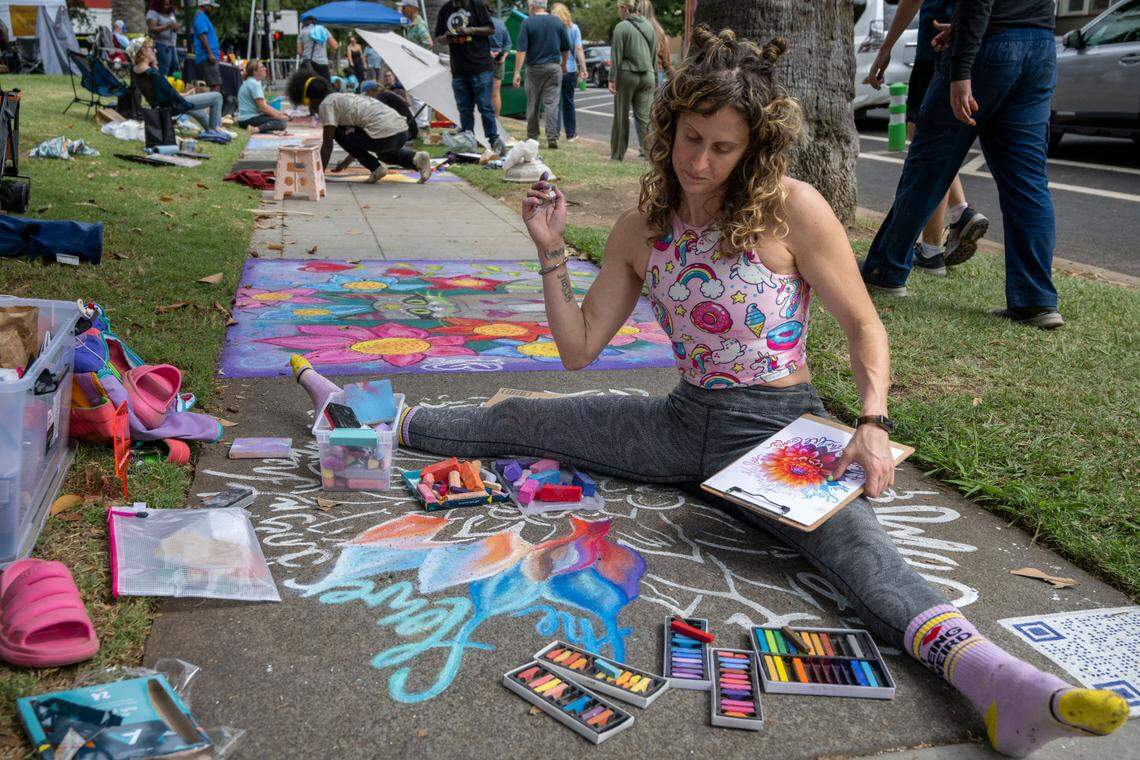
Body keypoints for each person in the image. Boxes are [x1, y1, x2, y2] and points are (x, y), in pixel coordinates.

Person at [385, 27, 1129, 757]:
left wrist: (871, 421)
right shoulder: (640, 226)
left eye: (722, 147)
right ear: (668, 130)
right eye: (690, 139)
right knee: (521, 416)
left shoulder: (792, 209)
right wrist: (550, 252)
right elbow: (579, 352)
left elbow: (864, 323)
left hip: (779, 434)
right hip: (680, 423)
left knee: (861, 557)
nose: (700, 161)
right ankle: (380, 421)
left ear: (753, 148)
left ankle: (1008, 688)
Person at [860, 0, 1064, 329]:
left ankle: (885, 270)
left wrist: (962, 66)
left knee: (929, 162)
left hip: (987, 49)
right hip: (1039, 44)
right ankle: (1036, 301)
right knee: (1027, 182)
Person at [865, 0, 989, 276]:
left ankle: (930, 250)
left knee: (927, 145)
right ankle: (959, 213)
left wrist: (886, 48)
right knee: (937, 144)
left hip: (937, 45)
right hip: (973, 45)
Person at [287, 70, 432, 183]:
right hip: (401, 133)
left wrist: (318, 174)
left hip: (382, 136)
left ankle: (376, 168)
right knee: (384, 153)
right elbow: (358, 138)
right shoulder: (345, 97)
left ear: (309, 100)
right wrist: (347, 161)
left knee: (335, 131)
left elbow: (328, 144)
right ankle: (417, 158)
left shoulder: (327, 104)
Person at [434, 0, 500, 150]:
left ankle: (493, 141)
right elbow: (439, 37)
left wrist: (470, 30)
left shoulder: (477, 5)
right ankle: (467, 141)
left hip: (480, 66)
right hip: (459, 68)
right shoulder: (445, 9)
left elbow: (490, 29)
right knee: (464, 108)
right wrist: (446, 37)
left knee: (485, 106)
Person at [128, 37, 223, 131]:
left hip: (162, 106)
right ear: (143, 51)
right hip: (174, 106)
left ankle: (212, 130)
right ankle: (216, 131)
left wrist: (185, 94)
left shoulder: (135, 71)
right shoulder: (153, 73)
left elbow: (164, 93)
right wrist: (185, 96)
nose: (155, 51)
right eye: (152, 49)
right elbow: (170, 94)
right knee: (217, 97)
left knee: (200, 112)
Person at [513, 0, 569, 148]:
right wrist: (563, 64)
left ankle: (532, 137)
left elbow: (521, 51)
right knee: (552, 104)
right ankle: (552, 137)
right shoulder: (557, 22)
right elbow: (565, 48)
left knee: (533, 103)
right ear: (545, 6)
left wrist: (517, 72)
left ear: (532, 6)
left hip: (534, 69)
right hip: (553, 68)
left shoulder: (527, 22)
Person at [608, 0, 656, 161]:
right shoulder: (649, 26)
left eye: (618, 9)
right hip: (648, 75)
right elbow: (654, 55)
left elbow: (616, 56)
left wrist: (611, 78)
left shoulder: (622, 27)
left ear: (623, 8)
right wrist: (655, 79)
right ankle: (652, 157)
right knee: (645, 118)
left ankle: (617, 155)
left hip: (627, 74)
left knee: (621, 116)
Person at [551, 3, 587, 143]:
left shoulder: (553, 28)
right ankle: (571, 134)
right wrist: (583, 68)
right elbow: (578, 49)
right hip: (570, 69)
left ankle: (555, 133)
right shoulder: (574, 28)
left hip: (555, 68)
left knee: (555, 102)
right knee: (568, 102)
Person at [237, 59, 289, 133]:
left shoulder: (250, 81)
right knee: (281, 123)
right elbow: (263, 108)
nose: (265, 68)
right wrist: (279, 116)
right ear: (255, 72)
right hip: (248, 119)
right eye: (262, 67)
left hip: (245, 119)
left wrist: (279, 113)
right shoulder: (254, 84)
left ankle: (258, 128)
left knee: (280, 118)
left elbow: (264, 105)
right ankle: (256, 129)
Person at [639, 0, 673, 87]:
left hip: (637, 73)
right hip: (657, 73)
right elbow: (666, 61)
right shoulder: (659, 31)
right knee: (656, 100)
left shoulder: (631, 29)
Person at [191, 0, 221, 92]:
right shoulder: (200, 16)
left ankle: (212, 105)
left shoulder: (202, 17)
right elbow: (202, 36)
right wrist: (210, 53)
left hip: (208, 56)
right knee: (215, 85)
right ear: (204, 5)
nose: (212, 8)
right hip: (207, 57)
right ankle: (214, 106)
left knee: (214, 85)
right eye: (210, 6)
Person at [145, 0, 180, 77]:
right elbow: (152, 29)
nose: (166, 6)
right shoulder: (152, 13)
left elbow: (175, 26)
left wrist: (176, 27)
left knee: (175, 68)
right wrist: (167, 26)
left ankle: (176, 84)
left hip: (172, 45)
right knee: (164, 69)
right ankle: (163, 86)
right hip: (161, 45)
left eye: (168, 4)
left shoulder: (170, 13)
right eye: (164, 4)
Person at [299, 17, 338, 82]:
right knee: (326, 86)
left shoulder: (302, 32)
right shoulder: (322, 29)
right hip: (321, 63)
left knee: (305, 87)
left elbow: (299, 51)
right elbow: (335, 45)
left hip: (307, 63)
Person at [489, 13, 513, 116]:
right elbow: (508, 43)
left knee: (480, 91)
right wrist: (503, 56)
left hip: (482, 60)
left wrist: (487, 51)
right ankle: (496, 120)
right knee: (495, 93)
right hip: (499, 61)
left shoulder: (480, 23)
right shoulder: (500, 23)